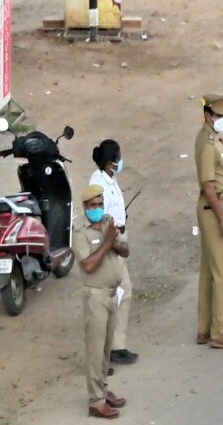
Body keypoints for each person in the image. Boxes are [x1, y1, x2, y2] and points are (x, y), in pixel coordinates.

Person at [75, 184, 128, 419]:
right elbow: (88, 264)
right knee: (95, 350)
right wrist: (107, 242)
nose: (97, 209)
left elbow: (125, 250)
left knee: (106, 347)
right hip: (95, 295)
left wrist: (114, 240)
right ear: (85, 207)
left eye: (100, 204)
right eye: (93, 205)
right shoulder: (80, 232)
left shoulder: (108, 222)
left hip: (111, 294)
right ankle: (95, 400)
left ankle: (103, 388)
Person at [194, 93, 223, 349]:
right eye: (219, 115)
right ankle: (219, 331)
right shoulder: (207, 142)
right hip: (214, 208)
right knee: (222, 272)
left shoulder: (213, 138)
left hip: (214, 207)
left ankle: (205, 328)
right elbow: (208, 186)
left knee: (209, 271)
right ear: (208, 115)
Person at [88, 140, 139, 365]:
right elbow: (98, 217)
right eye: (119, 157)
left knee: (124, 292)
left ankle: (116, 346)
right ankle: (105, 353)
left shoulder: (108, 179)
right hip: (109, 243)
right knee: (113, 296)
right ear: (111, 162)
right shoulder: (98, 183)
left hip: (117, 238)